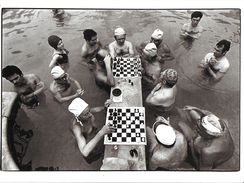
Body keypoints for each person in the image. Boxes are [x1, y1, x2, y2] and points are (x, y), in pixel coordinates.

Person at [178, 105, 234, 170]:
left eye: (199, 129)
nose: (196, 128)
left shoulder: (208, 151)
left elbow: (200, 169)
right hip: (223, 147)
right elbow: (208, 114)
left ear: (209, 134)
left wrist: (191, 145)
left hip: (217, 157)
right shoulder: (221, 125)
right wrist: (195, 108)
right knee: (193, 112)